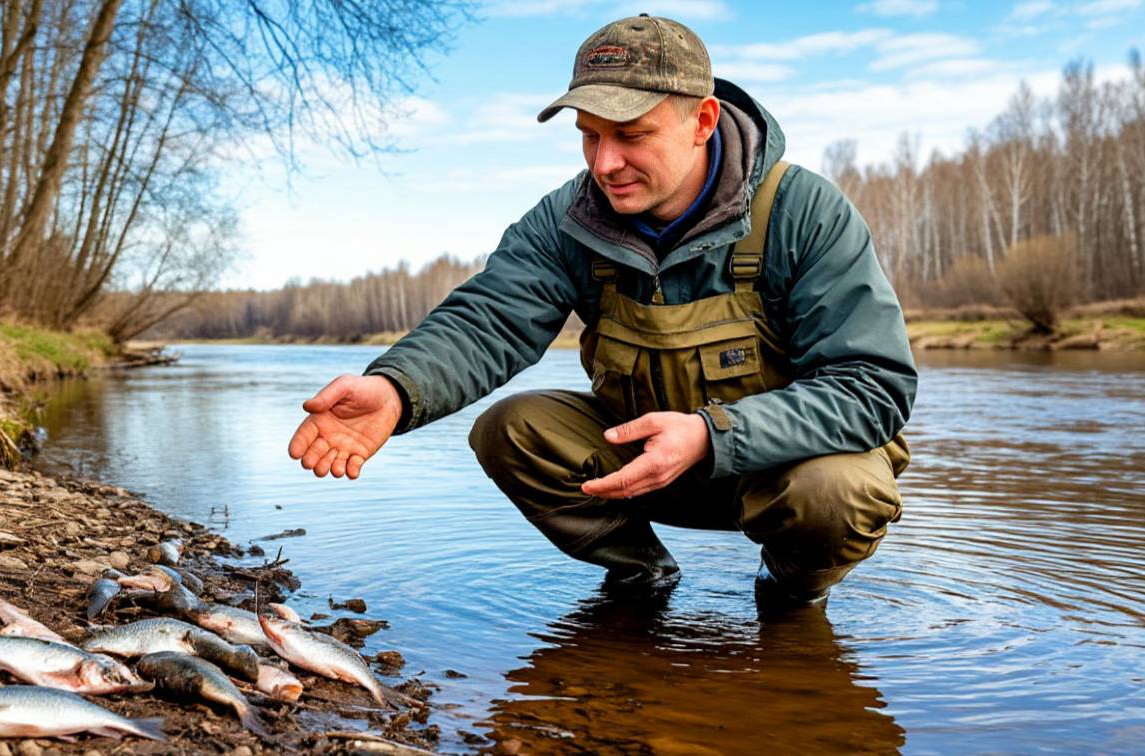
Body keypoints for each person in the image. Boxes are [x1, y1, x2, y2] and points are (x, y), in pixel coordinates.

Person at [288, 14, 914, 612]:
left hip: (780, 471)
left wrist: (709, 434)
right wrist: (396, 388)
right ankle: (642, 574)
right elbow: (490, 318)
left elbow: (873, 388)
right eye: (589, 134)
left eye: (631, 135)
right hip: (645, 466)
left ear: (702, 121)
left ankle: (789, 591)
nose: (603, 162)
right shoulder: (568, 220)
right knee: (512, 429)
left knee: (838, 492)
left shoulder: (804, 212)